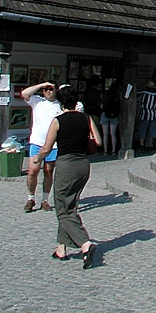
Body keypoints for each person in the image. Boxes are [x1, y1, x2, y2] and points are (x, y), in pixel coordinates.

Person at [32, 85, 101, 269]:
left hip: (67, 164)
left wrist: (37, 157)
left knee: (62, 209)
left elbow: (47, 148)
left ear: (61, 101)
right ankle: (61, 248)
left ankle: (85, 244)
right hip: (83, 165)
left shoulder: (58, 121)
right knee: (70, 205)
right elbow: (99, 141)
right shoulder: (86, 118)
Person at [21, 81, 62, 212]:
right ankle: (31, 198)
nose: (48, 92)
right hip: (37, 142)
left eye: (50, 89)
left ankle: (45, 200)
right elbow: (24, 93)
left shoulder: (60, 105)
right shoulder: (37, 101)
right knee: (32, 171)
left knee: (48, 172)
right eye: (46, 89)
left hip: (53, 144)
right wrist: (42, 84)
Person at [135, 80, 156, 149]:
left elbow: (135, 97)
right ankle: (150, 145)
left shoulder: (142, 93)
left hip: (144, 113)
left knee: (142, 129)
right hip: (153, 114)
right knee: (152, 130)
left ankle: (142, 145)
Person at [100, 82, 121, 155]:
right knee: (113, 134)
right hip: (114, 116)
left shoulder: (106, 95)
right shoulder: (117, 97)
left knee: (105, 134)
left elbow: (102, 106)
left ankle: (105, 150)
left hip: (105, 114)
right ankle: (113, 150)